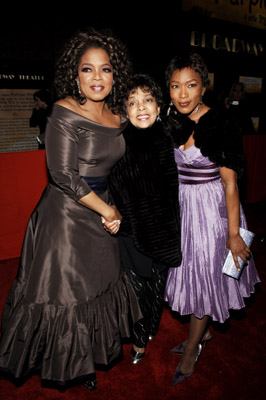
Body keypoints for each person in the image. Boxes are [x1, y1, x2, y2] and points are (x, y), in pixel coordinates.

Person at [0, 28, 142, 391]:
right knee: (64, 295)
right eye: (87, 69)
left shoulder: (118, 115)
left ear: (116, 74)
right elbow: (63, 175)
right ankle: (64, 363)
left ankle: (87, 359)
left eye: (105, 69)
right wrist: (108, 212)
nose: (97, 77)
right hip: (65, 217)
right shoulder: (63, 111)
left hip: (104, 212)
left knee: (96, 288)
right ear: (74, 74)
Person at [163, 52, 260, 385]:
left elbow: (231, 182)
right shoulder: (172, 120)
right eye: (176, 86)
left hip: (212, 212)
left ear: (204, 87)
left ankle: (192, 348)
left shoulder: (220, 123)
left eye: (191, 85)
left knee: (205, 278)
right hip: (184, 209)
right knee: (189, 274)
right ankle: (201, 335)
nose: (183, 93)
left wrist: (234, 235)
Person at [108, 74, 182, 364]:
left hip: (164, 229)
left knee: (157, 288)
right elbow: (108, 184)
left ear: (158, 105)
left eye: (147, 100)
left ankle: (151, 326)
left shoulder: (168, 137)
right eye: (133, 102)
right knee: (137, 291)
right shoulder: (118, 141)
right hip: (131, 231)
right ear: (125, 110)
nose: (141, 108)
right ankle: (139, 339)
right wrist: (114, 215)